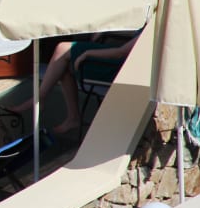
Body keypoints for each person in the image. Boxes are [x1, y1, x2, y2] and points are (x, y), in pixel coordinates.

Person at [8, 33, 139, 134]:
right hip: (121, 57)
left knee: (62, 50)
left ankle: (40, 99)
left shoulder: (151, 29)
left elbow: (120, 53)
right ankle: (71, 117)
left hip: (120, 66)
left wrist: (87, 53)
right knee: (62, 64)